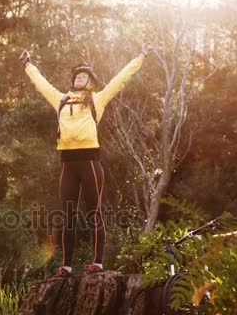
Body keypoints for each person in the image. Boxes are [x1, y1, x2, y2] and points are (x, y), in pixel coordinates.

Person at [19, 44, 150, 277]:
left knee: (94, 213)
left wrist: (140, 57)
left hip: (90, 161)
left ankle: (97, 264)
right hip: (67, 163)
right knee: (67, 214)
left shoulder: (96, 100)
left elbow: (120, 80)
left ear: (90, 82)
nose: (80, 78)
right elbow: (41, 84)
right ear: (73, 80)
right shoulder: (60, 100)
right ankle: (67, 266)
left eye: (85, 76)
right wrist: (28, 65)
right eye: (78, 76)